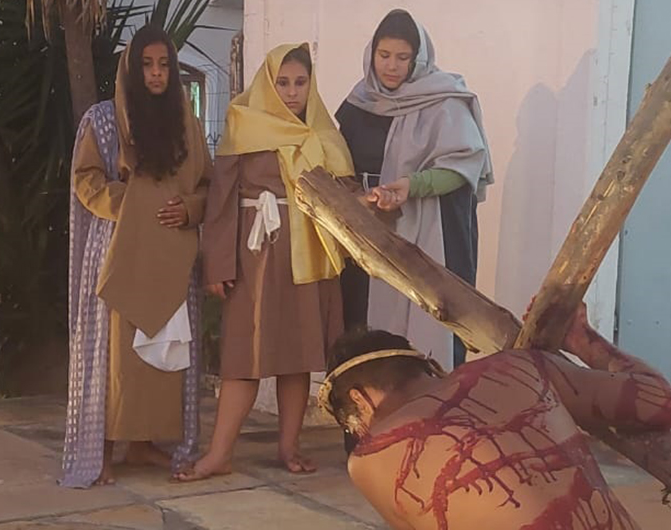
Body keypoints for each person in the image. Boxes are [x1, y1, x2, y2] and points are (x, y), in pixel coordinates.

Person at [318, 304, 671, 529]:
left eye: (353, 426)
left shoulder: (369, 460)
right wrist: (582, 339)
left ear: (360, 400)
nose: (361, 434)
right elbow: (659, 399)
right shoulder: (521, 365)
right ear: (426, 366)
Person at [174, 43, 355, 481]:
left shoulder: (322, 131)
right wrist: (218, 265)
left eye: (300, 82)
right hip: (255, 257)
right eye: (283, 83)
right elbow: (221, 202)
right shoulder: (244, 124)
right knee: (244, 355)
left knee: (296, 354)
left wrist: (371, 203)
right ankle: (219, 453)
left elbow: (343, 191)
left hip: (306, 255)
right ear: (268, 85)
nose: (292, 92)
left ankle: (289, 446)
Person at [61, 26, 212, 488]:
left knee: (163, 354)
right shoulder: (104, 120)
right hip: (121, 248)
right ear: (131, 69)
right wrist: (130, 203)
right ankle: (104, 450)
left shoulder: (186, 123)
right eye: (147, 65)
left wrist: (189, 209)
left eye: (164, 65)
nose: (156, 74)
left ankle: (144, 443)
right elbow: (86, 178)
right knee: (115, 356)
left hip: (171, 251)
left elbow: (206, 184)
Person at [336, 9, 494, 371]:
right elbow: (340, 159)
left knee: (430, 327)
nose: (391, 66)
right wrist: (358, 196)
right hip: (367, 236)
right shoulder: (359, 102)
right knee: (364, 329)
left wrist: (413, 186)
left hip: (427, 234)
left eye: (402, 57)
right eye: (384, 55)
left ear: (418, 59)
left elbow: (463, 166)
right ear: (372, 54)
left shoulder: (445, 101)